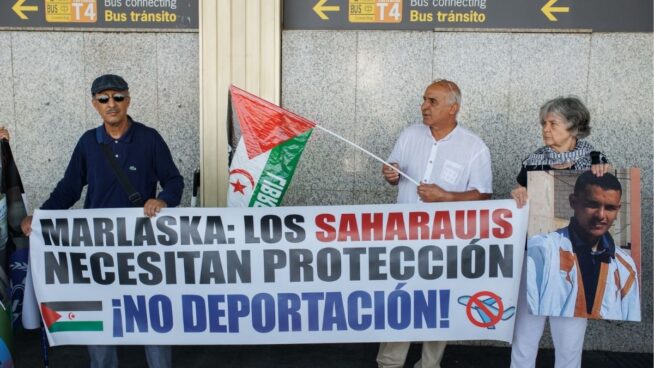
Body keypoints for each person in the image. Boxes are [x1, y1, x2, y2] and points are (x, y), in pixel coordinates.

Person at [21, 74, 184, 368]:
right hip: (97, 250)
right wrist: (42, 217)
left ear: (128, 100)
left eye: (118, 97)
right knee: (100, 320)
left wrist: (163, 200)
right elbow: (69, 188)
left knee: (152, 317)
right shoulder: (87, 143)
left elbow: (174, 180)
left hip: (142, 248)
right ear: (94, 104)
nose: (112, 104)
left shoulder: (149, 138)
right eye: (104, 98)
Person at [378, 79, 492, 368]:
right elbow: (393, 170)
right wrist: (390, 174)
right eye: (424, 100)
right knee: (399, 300)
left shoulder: (473, 147)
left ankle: (429, 364)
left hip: (445, 244)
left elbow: (483, 195)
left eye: (432, 101)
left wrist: (446, 196)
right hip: (401, 237)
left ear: (453, 108)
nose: (424, 106)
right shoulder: (409, 134)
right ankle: (390, 362)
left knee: (436, 304)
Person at [509, 96, 611, 368]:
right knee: (524, 337)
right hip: (535, 260)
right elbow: (522, 199)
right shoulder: (533, 161)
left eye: (553, 123)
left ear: (574, 127)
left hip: (576, 264)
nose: (545, 128)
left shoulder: (596, 160)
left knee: (569, 343)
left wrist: (606, 178)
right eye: (544, 122)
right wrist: (518, 193)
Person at [527, 171, 640, 321]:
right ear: (573, 202)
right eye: (592, 204)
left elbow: (629, 323)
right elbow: (529, 315)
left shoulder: (625, 265)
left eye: (610, 208)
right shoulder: (542, 250)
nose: (601, 215)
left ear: (618, 210)